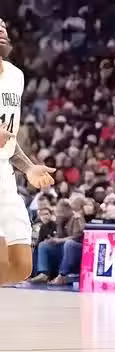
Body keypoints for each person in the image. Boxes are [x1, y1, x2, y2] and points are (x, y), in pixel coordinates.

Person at [0, 18, 55, 287]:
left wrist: (28, 166)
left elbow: (8, 138)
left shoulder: (15, 76)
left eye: (2, 26)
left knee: (21, 265)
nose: (1, 29)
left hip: (4, 174)